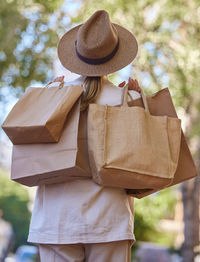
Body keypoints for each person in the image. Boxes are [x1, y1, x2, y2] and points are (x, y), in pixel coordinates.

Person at [27, 10, 142, 262]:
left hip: (56, 222)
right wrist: (139, 103)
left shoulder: (53, 98)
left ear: (78, 54)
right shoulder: (127, 99)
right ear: (115, 57)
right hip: (110, 222)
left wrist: (50, 94)